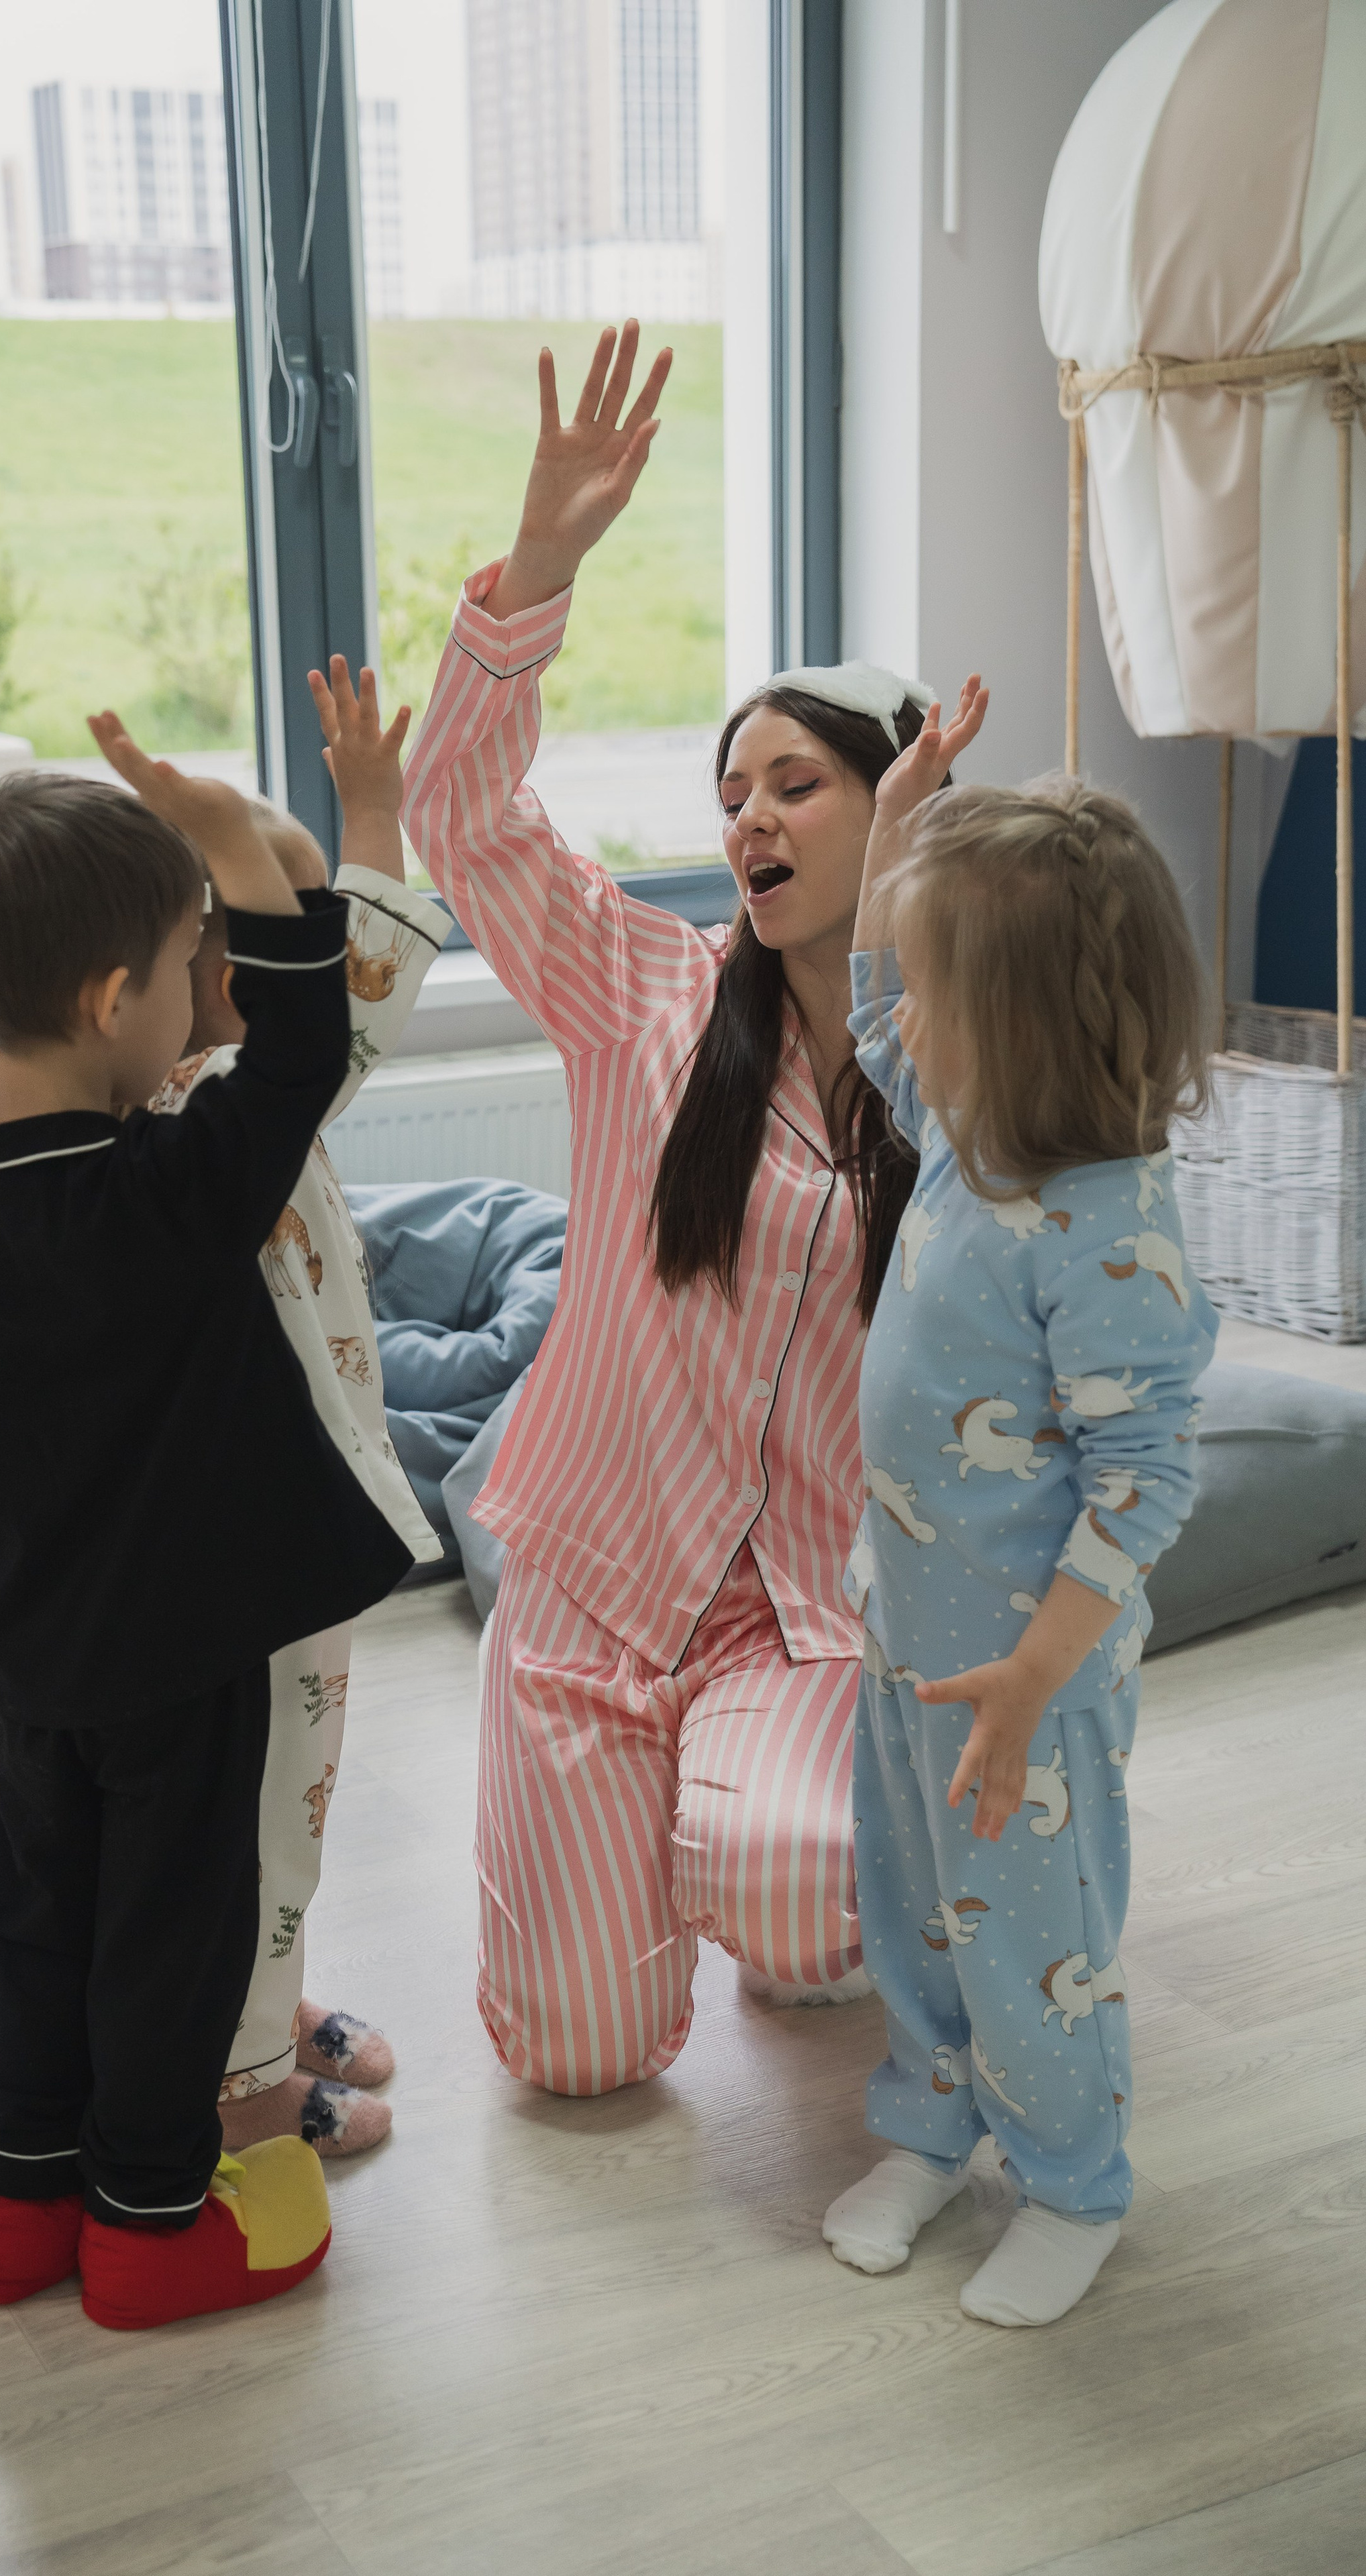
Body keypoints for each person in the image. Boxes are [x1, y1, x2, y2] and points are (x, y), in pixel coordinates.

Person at [401, 321, 976, 2094]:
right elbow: (460, 816)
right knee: (577, 2065)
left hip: (800, 1610)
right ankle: (634, 1847)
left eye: (797, 784)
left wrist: (921, 923)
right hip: (587, 1595)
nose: (749, 819)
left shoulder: (957, 1069)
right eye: (734, 793)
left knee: (812, 1913)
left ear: (903, 807)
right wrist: (542, 570)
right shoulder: (640, 995)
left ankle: (752, 1838)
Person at [0, 753, 411, 2330]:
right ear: (119, 997)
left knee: (38, 1926)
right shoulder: (174, 1191)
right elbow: (305, 1040)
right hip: (182, 1677)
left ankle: (7, 2197)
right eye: (191, 967)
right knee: (169, 1952)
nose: (207, 994)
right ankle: (153, 2227)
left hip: (31, 1673)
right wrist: (242, 845)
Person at [821, 716, 1216, 2326]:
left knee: (1031, 1933)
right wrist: (897, 830)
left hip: (1025, 1674)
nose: (902, 1017)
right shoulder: (964, 1137)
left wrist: (1036, 1674)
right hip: (907, 1631)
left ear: (1020, 1022)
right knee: (908, 1907)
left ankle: (1070, 2180)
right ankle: (929, 2122)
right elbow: (863, 1010)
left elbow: (1148, 1485)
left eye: (935, 993)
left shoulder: (1105, 1236)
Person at [130, 663, 450, 2157]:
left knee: (283, 1821)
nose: (334, 968)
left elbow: (352, 998)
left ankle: (272, 1994)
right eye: (298, 933)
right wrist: (366, 821)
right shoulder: (212, 1126)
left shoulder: (234, 1098)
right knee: (264, 1821)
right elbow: (355, 1007)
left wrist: (364, 819)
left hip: (287, 1547)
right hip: (250, 1560)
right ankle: (247, 2088)